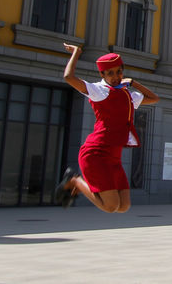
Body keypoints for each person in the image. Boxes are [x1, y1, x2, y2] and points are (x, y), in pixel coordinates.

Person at [54, 46, 159, 212]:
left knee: (123, 206)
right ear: (102, 75)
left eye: (119, 72)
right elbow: (69, 77)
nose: (116, 77)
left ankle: (76, 184)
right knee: (110, 206)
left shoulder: (128, 95)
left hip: (114, 157)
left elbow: (154, 98)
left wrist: (132, 82)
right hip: (96, 154)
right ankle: (74, 181)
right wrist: (76, 53)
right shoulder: (98, 90)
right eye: (110, 73)